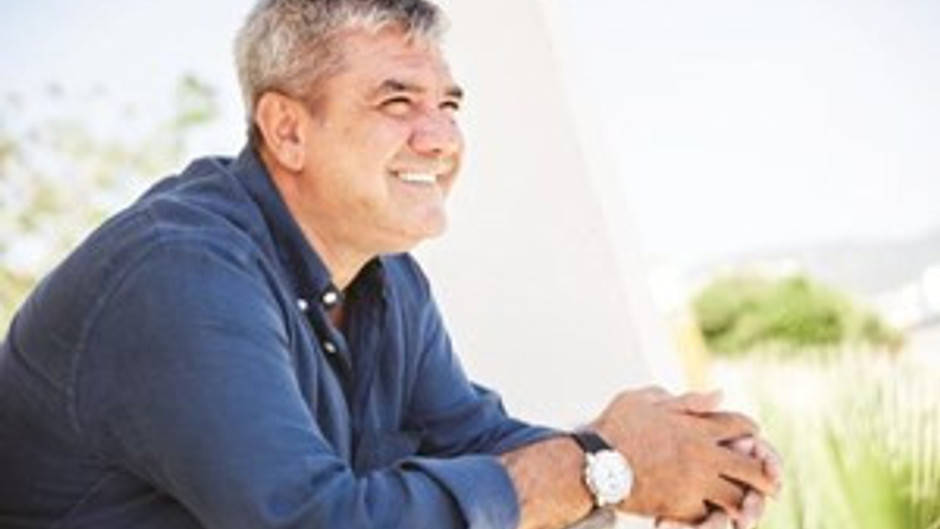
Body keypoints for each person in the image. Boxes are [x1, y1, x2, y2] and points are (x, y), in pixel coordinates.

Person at [0, 1, 782, 528]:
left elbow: (474, 438)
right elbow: (317, 520)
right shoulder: (181, 276)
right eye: (397, 103)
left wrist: (684, 462)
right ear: (287, 130)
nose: (440, 139)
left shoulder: (383, 275)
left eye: (449, 105)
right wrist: (603, 466)